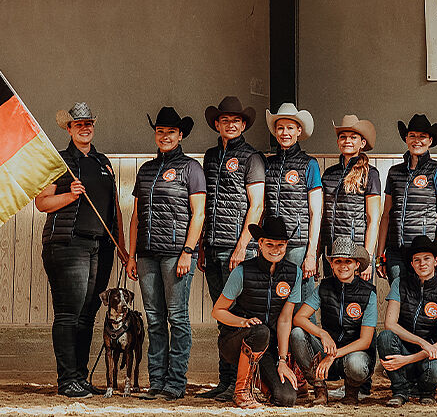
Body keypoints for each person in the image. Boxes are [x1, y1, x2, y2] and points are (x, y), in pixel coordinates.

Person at [35, 102, 125, 398]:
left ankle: (81, 377)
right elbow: (42, 202)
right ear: (70, 129)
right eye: (79, 124)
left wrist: (122, 247)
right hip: (67, 245)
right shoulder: (58, 162)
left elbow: (115, 210)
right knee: (68, 313)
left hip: (101, 246)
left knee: (88, 313)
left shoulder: (104, 163)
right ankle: (67, 379)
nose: (85, 127)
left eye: (89, 123)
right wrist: (69, 196)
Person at [125, 106, 206, 400]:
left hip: (176, 254)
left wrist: (188, 251)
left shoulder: (191, 169)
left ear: (180, 134)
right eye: (160, 132)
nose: (165, 136)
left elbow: (198, 215)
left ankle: (176, 382)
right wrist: (132, 255)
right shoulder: (146, 170)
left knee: (177, 317)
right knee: (155, 319)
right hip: (147, 255)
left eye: (170, 132)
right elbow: (136, 217)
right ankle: (156, 381)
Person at [195, 96, 266, 402]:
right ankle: (225, 382)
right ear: (217, 124)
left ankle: (242, 381)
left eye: (236, 121)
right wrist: (200, 245)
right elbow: (204, 204)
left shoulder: (252, 157)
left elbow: (257, 205)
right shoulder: (210, 157)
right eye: (225, 120)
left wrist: (242, 246)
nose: (231, 125)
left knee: (241, 316)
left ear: (243, 125)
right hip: (211, 247)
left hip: (238, 250)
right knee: (223, 317)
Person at [211, 217, 305, 408]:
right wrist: (242, 322)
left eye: (281, 245)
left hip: (266, 348)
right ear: (260, 244)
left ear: (286, 245)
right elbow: (218, 311)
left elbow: (285, 320)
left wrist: (282, 360)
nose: (275, 249)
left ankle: (257, 379)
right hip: (235, 342)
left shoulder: (294, 273)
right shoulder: (242, 271)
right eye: (270, 244)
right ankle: (241, 393)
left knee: (286, 399)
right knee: (260, 330)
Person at [290, 237, 378, 405]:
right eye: (337, 261)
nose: (343, 266)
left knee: (356, 364)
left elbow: (366, 341)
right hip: (327, 348)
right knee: (297, 333)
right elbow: (299, 318)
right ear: (331, 264)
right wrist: (322, 333)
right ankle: (320, 390)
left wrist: (333, 356)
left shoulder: (369, 293)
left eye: (348, 261)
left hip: (353, 354)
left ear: (357, 264)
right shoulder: (324, 287)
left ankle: (351, 392)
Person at [377, 236, 437, 407]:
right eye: (416, 260)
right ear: (411, 264)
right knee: (385, 337)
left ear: (436, 261)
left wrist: (408, 359)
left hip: (429, 355)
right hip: (404, 347)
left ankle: (426, 391)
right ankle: (400, 390)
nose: (422, 263)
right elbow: (390, 323)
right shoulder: (399, 283)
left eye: (427, 258)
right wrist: (421, 342)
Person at [377, 114, 437, 281]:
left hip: (424, 254)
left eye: (422, 136)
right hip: (395, 253)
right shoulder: (394, 172)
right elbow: (386, 215)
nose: (417, 140)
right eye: (412, 135)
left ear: (430, 141)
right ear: (406, 138)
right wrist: (380, 255)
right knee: (398, 300)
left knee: (425, 301)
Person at [262, 103, 323, 292]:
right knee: (275, 297)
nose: (284, 132)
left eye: (290, 128)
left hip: (298, 244)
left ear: (299, 130)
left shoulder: (309, 164)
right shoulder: (267, 163)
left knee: (301, 301)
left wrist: (311, 254)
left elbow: (316, 212)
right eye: (280, 128)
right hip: (272, 243)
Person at [320, 115, 382, 280]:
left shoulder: (371, 174)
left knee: (357, 300)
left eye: (353, 137)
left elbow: (373, 219)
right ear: (338, 141)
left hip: (357, 251)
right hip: (332, 250)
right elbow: (322, 216)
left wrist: (367, 258)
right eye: (343, 137)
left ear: (362, 143)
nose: (347, 141)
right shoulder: (329, 174)